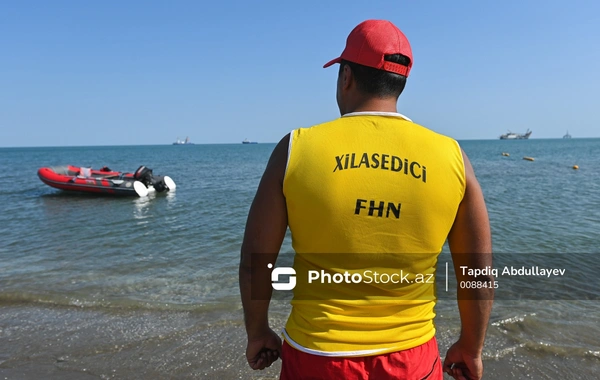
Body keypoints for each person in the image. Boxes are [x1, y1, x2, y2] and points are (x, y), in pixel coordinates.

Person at [239, 19, 494, 380]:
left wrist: (257, 332)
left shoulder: (296, 149)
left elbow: (255, 261)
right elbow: (477, 272)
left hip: (317, 357)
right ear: (400, 82)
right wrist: (471, 348)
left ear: (346, 77)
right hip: (411, 359)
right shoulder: (452, 157)